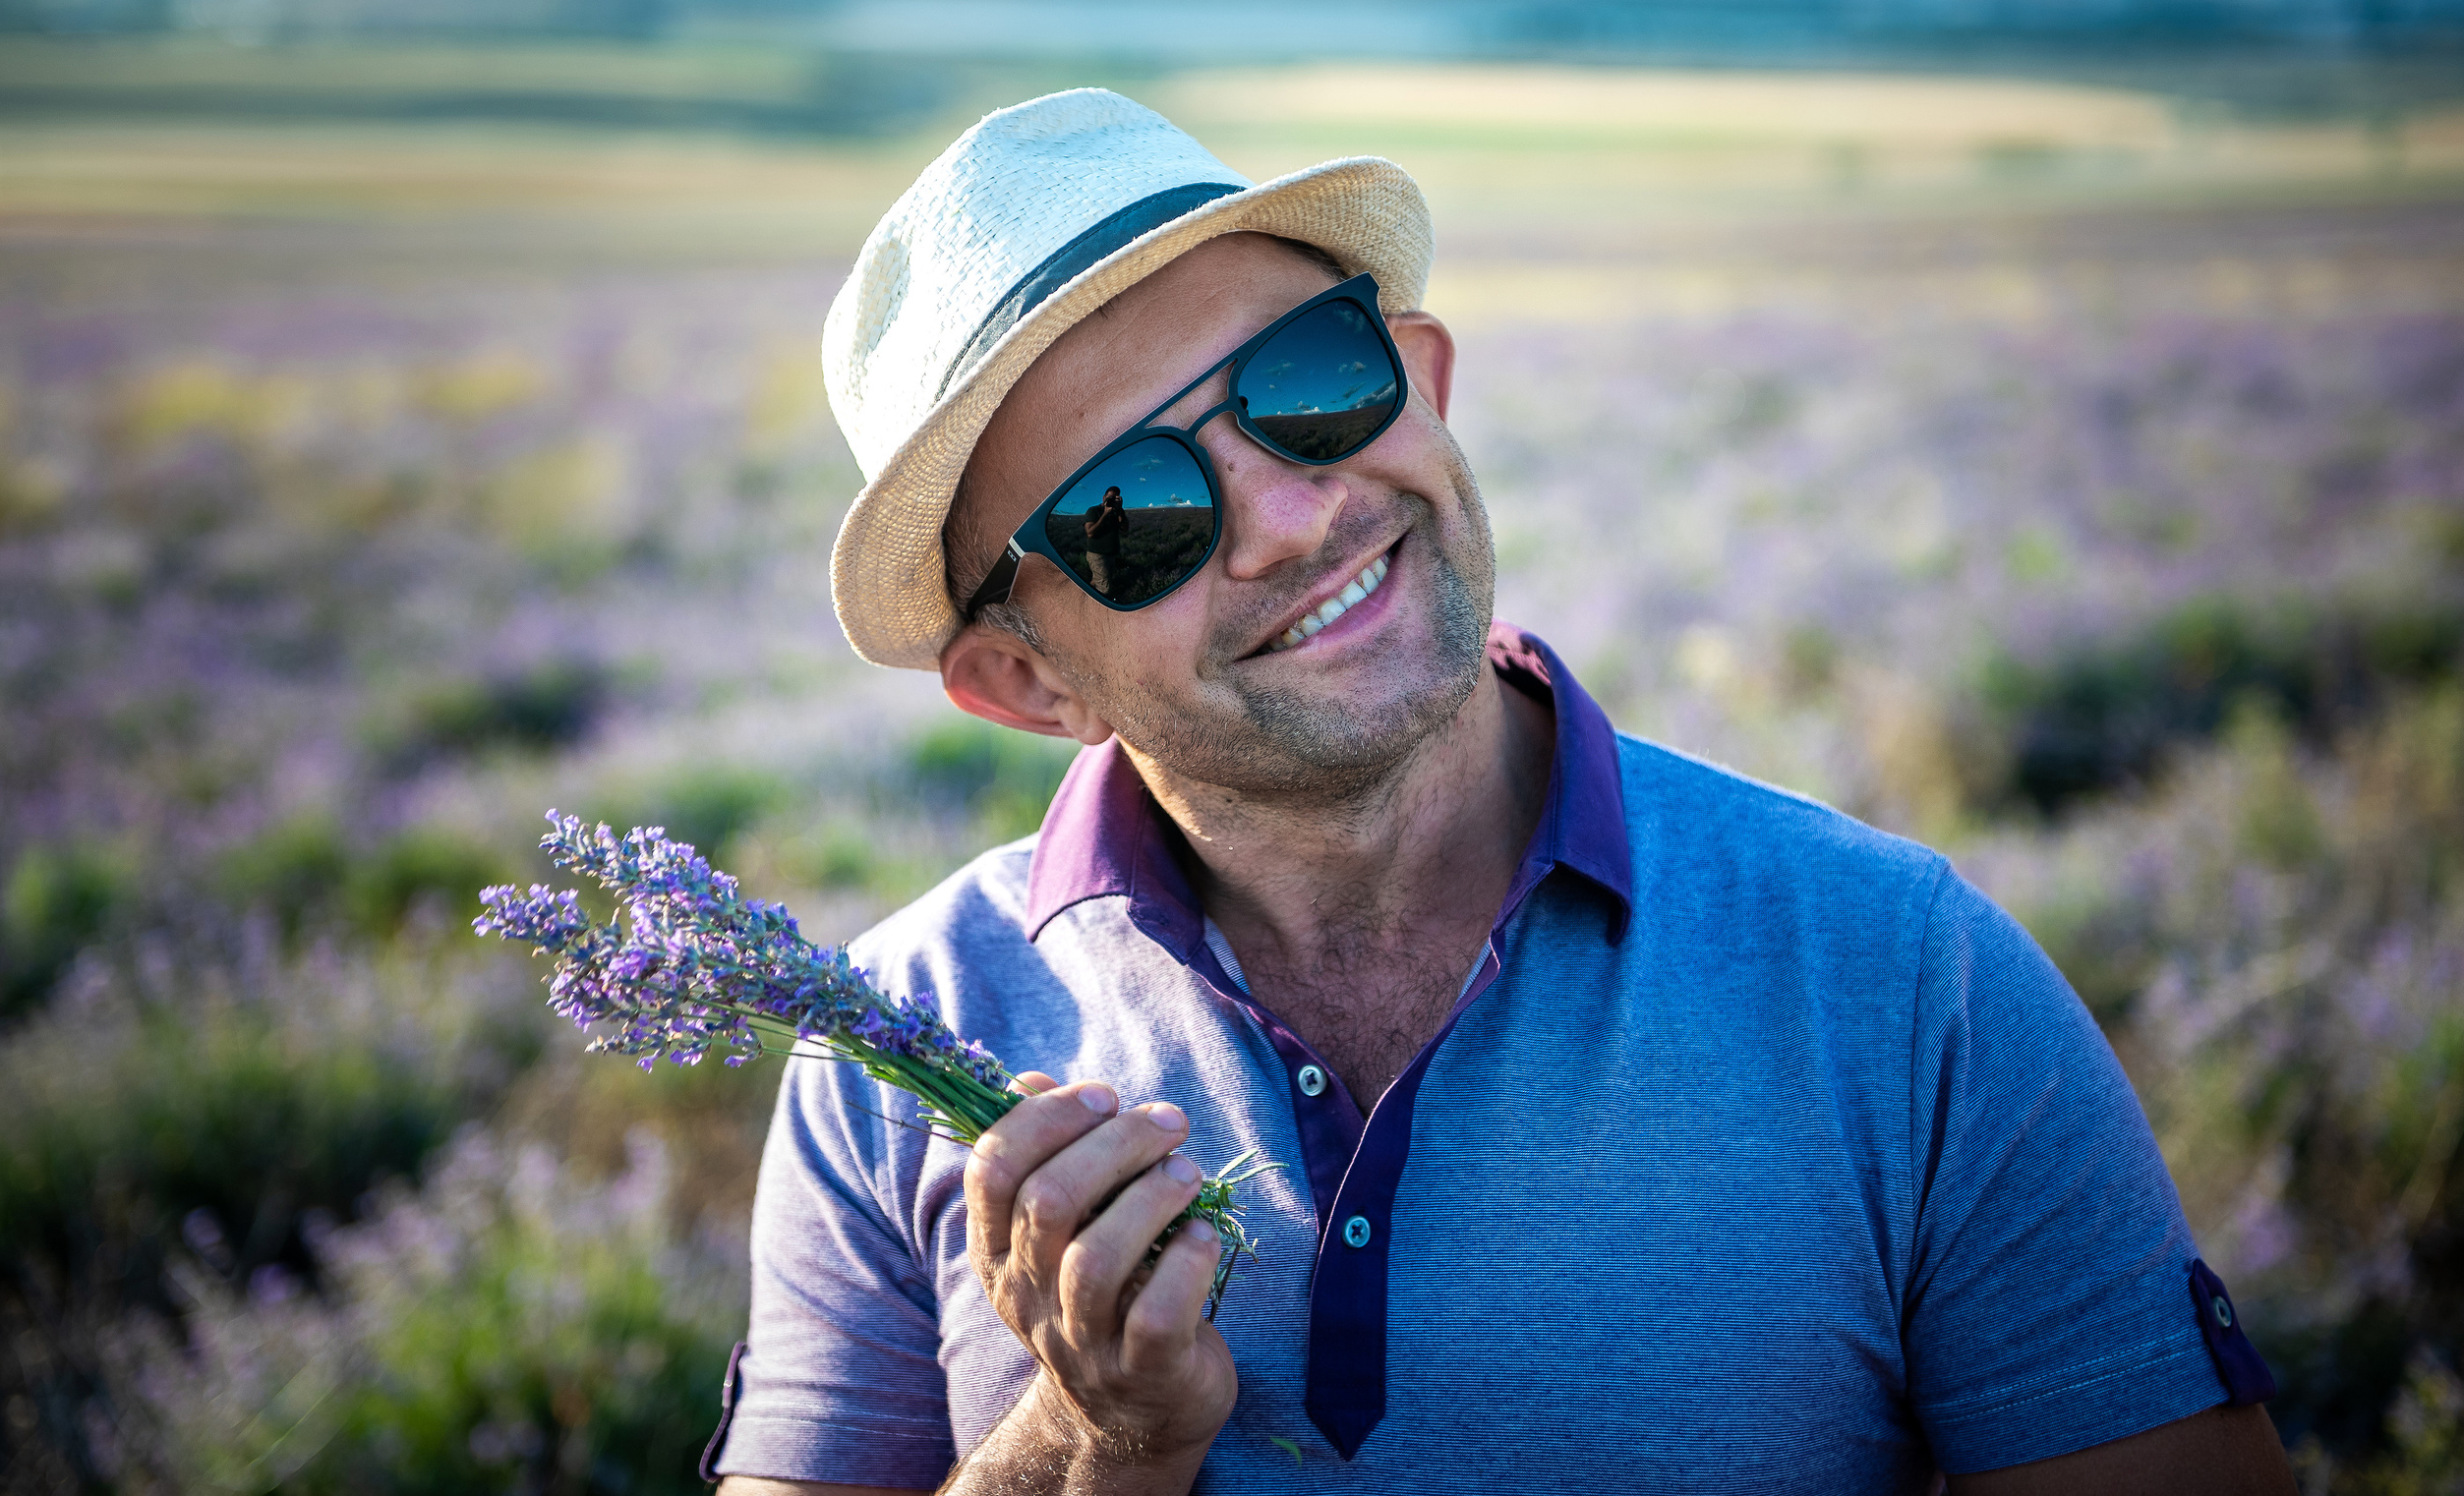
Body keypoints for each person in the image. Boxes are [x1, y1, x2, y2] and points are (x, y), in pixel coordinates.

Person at [704, 89, 2296, 1494]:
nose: (1287, 517)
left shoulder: (1900, 979)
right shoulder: (893, 1052)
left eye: (1309, 382)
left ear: (1422, 382)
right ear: (1023, 679)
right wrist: (1094, 1439)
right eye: (1131, 511)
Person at [1084, 486, 1128, 597]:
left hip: (1111, 554)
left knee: (1097, 580)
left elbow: (1124, 529)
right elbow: (1090, 533)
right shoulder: (1093, 511)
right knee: (1105, 589)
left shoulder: (1117, 512)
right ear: (1103, 498)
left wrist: (1120, 510)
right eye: (1110, 497)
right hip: (1097, 555)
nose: (1112, 500)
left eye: (1115, 498)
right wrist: (1105, 514)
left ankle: (1084, 597)